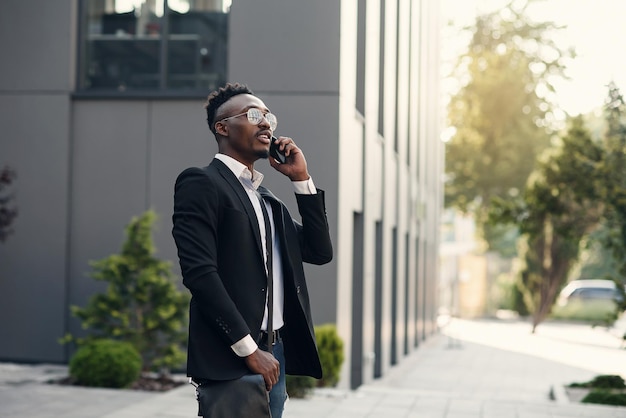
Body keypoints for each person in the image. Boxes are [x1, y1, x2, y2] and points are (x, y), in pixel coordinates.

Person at [172, 82, 333, 418]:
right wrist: (248, 349)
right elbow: (200, 274)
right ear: (222, 127)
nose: (266, 124)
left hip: (276, 351)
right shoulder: (201, 182)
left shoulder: (266, 201)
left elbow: (319, 251)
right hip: (234, 354)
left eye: (269, 117)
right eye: (254, 115)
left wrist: (301, 179)